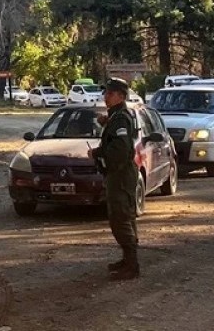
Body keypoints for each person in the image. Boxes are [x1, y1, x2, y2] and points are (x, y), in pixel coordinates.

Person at [90, 78, 141, 280]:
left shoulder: (121, 118)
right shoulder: (116, 116)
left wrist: (98, 153)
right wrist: (105, 122)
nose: (106, 97)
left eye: (110, 94)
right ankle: (128, 260)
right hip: (118, 173)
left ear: (121, 96)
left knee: (120, 218)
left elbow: (120, 149)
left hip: (120, 174)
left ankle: (132, 265)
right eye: (105, 93)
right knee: (123, 216)